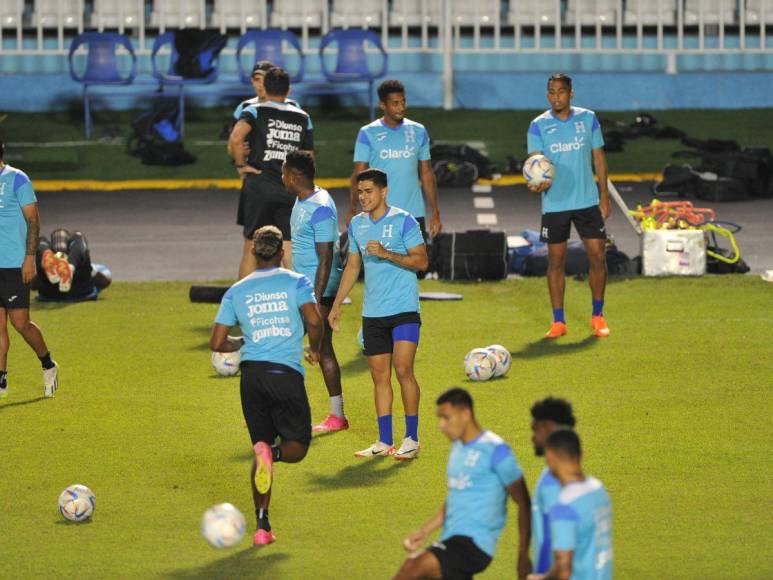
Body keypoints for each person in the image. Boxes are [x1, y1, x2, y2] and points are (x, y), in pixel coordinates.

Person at [209, 225, 324, 546]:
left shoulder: (236, 290)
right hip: (284, 375)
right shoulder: (296, 282)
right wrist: (315, 348)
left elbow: (217, 341)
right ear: (281, 253)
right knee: (296, 448)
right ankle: (271, 452)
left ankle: (262, 527)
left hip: (252, 378)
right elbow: (314, 321)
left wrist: (244, 341)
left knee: (260, 449)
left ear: (253, 252)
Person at [329, 169, 427, 460]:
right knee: (379, 377)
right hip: (373, 314)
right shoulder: (357, 225)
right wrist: (336, 305)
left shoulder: (404, 220)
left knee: (403, 370)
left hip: (405, 310)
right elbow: (352, 267)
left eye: (369, 191)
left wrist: (388, 254)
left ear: (384, 192)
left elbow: (422, 261)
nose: (363, 197)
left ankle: (411, 438)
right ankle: (384, 441)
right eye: (360, 192)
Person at [394, 388, 532, 580]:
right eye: (439, 419)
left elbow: (524, 502)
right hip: (452, 538)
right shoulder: (457, 449)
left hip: (476, 543)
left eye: (446, 417)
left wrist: (523, 554)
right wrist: (424, 531)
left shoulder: (496, 450)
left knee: (414, 568)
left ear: (465, 414)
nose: (441, 425)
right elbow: (455, 496)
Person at [526, 73, 611, 339]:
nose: (555, 97)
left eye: (560, 92)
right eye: (551, 92)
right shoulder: (538, 125)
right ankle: (558, 321)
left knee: (598, 255)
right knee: (556, 261)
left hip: (587, 201)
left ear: (571, 93)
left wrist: (604, 195)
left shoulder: (588, 118)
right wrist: (535, 183)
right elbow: (534, 164)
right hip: (555, 204)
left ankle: (597, 315)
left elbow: (599, 158)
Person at [284, 150, 348, 434]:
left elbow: (326, 258)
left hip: (318, 289)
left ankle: (336, 416)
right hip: (304, 286)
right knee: (292, 347)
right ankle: (289, 412)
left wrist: (316, 299)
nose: (282, 177)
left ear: (294, 176)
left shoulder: (320, 207)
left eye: (285, 172)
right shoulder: (301, 201)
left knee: (322, 349)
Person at [229, 66, 314, 277]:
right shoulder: (303, 116)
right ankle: (301, 301)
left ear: (265, 88)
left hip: (260, 187)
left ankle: (243, 303)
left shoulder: (254, 110)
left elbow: (236, 139)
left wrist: (241, 165)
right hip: (290, 189)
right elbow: (309, 157)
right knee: (289, 245)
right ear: (289, 90)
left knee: (252, 245)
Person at [348, 79, 442, 245]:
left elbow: (427, 173)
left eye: (403, 102)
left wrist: (435, 212)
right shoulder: (367, 133)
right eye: (395, 103)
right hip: (380, 213)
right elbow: (358, 175)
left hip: (414, 214)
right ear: (383, 105)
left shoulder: (419, 131)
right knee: (380, 266)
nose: (401, 107)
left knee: (417, 267)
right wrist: (352, 208)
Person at [0, 139, 58, 399]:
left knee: (20, 323)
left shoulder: (17, 179)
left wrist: (29, 257)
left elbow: (33, 221)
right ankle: (1, 381)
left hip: (14, 264)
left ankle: (48, 364)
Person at [527, 429, 612, 580]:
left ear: (551, 456)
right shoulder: (598, 490)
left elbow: (563, 569)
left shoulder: (564, 506)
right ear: (580, 454)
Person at [530, 397, 577, 576]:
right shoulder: (587, 484)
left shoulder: (554, 482)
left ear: (548, 428)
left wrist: (541, 574)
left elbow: (551, 541)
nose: (532, 437)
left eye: (535, 429)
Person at [227, 60, 301, 160]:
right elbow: (230, 148)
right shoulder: (244, 107)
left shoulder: (292, 106)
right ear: (252, 81)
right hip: (255, 170)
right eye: (257, 79)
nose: (260, 85)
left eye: (265, 79)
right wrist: (238, 151)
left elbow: (302, 144)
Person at [34, 229, 112, 301]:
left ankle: (67, 267)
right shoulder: (85, 262)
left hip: (51, 294)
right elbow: (106, 281)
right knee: (78, 236)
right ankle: (68, 268)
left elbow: (32, 285)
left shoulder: (90, 265)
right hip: (80, 292)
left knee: (41, 240)